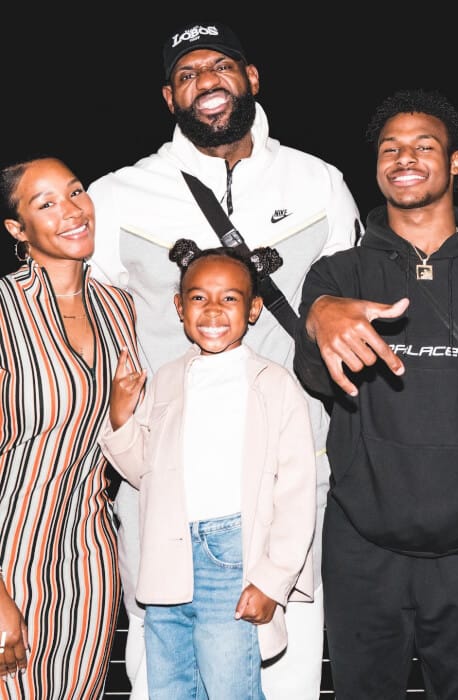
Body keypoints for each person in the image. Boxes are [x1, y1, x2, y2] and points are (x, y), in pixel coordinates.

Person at [86, 19, 362, 699]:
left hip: (290, 475)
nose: (205, 82)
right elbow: (82, 318)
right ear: (168, 97)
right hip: (163, 484)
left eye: (220, 67)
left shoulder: (318, 182)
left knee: (287, 662)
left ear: (251, 78)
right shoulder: (119, 196)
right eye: (186, 74)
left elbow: (351, 299)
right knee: (163, 669)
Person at [293, 88, 458, 699]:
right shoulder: (339, 275)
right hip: (362, 549)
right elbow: (314, 378)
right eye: (390, 148)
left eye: (424, 146)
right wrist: (318, 318)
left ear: (455, 161)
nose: (405, 158)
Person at [98, 240, 316, 699]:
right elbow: (145, 473)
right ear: (179, 307)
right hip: (166, 561)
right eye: (198, 297)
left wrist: (272, 579)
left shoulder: (274, 384)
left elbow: (296, 493)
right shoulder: (166, 379)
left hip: (233, 557)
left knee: (229, 688)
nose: (213, 309)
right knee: (170, 690)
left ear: (253, 309)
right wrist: (121, 418)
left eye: (229, 298)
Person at [0, 156, 141, 698]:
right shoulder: (5, 309)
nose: (73, 210)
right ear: (18, 229)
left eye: (76, 191)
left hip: (88, 556)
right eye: (46, 204)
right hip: (10, 551)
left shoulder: (119, 308)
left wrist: (121, 418)